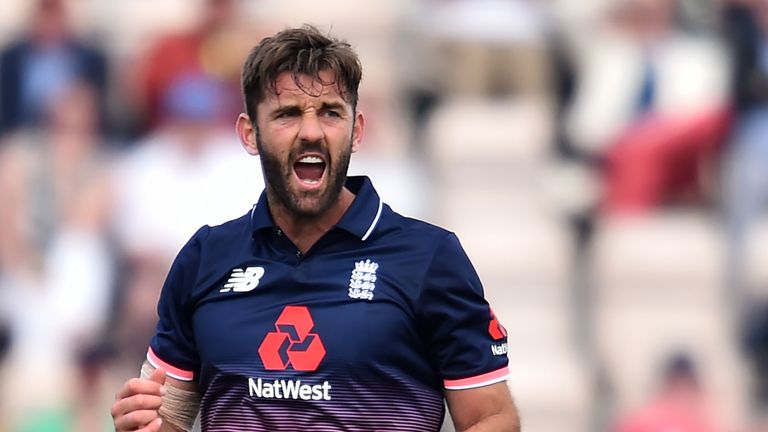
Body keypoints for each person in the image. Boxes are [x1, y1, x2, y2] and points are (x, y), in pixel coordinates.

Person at [110, 25, 520, 431]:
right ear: (249, 133)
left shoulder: (429, 256)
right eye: (287, 114)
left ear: (356, 130)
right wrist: (142, 423)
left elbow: (492, 416)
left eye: (330, 113)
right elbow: (170, 417)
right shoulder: (205, 257)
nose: (310, 132)